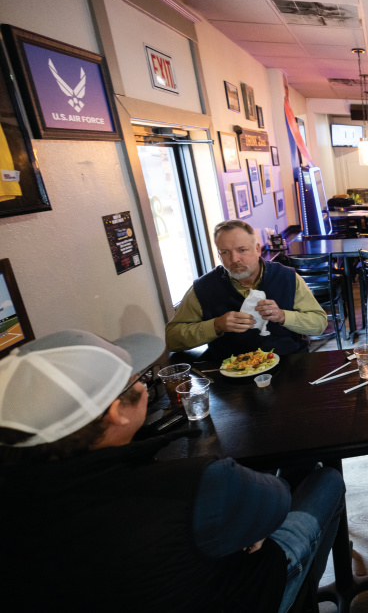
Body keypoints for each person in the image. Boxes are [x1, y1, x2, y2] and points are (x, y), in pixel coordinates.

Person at [0, 330, 345, 613]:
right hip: (238, 595)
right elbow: (278, 501)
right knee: (325, 480)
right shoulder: (192, 483)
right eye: (138, 379)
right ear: (116, 412)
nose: (143, 385)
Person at [165, 220, 327, 360]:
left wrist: (283, 315)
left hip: (288, 363)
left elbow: (319, 324)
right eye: (225, 252)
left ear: (257, 249)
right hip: (231, 371)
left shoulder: (287, 277)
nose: (234, 259)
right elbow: (172, 338)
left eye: (242, 250)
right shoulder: (204, 288)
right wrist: (216, 325)